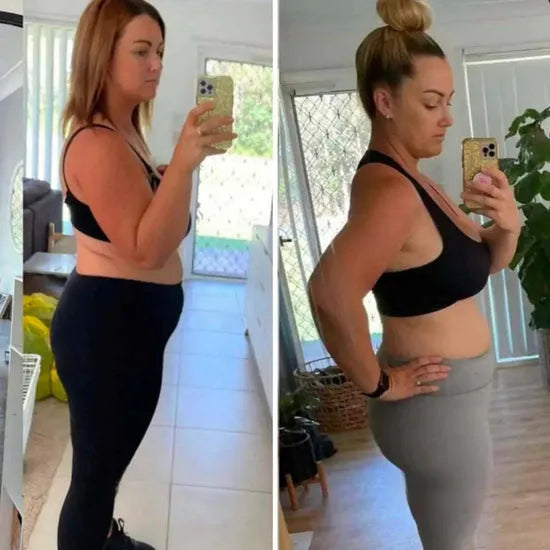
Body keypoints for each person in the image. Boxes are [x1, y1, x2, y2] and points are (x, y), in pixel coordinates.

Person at [307, 1, 520, 549]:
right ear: (384, 102)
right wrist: (379, 383)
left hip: (447, 405)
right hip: (435, 409)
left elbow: (482, 265)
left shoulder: (416, 180)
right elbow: (329, 295)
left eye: (448, 102)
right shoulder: (391, 190)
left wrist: (507, 224)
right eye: (431, 103)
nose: (447, 117)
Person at [49, 1, 236, 549]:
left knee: (105, 471)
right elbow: (147, 250)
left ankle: (105, 536)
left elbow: (164, 229)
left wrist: (170, 176)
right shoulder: (98, 143)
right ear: (102, 56)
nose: (156, 64)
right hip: (106, 337)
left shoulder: (125, 133)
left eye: (160, 51)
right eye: (141, 51)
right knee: (92, 480)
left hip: (126, 335)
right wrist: (181, 166)